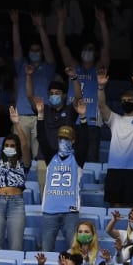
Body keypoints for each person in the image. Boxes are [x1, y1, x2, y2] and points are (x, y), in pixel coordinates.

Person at [57, 6, 110, 163]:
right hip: (71, 121)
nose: (88, 51)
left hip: (92, 122)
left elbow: (107, 48)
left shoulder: (98, 70)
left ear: (95, 53)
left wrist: (102, 22)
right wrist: (61, 21)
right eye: (86, 49)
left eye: (91, 49)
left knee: (91, 160)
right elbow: (62, 46)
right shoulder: (74, 67)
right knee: (67, 159)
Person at [97, 68, 133, 208]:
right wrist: (101, 87)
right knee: (115, 207)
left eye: (129, 100)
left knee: (132, 209)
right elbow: (102, 105)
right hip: (114, 169)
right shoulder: (114, 120)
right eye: (123, 100)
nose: (126, 102)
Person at [26, 66, 84, 198]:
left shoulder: (70, 111)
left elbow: (78, 97)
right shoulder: (43, 110)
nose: (54, 96)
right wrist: (29, 76)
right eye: (51, 94)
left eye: (57, 93)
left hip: (65, 160)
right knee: (45, 197)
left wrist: (74, 78)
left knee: (63, 196)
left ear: (64, 95)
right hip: (43, 159)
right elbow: (29, 96)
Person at [11, 9, 56, 161]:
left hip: (41, 117)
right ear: (28, 52)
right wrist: (15, 24)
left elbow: (49, 49)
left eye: (38, 50)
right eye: (32, 50)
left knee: (40, 156)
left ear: (41, 53)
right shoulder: (22, 65)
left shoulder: (48, 67)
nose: (34, 52)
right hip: (22, 116)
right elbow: (16, 46)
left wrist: (41, 28)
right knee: (18, 155)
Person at [0, 104, 31, 251]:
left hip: (16, 204)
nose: (9, 147)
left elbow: (25, 145)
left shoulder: (23, 163)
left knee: (16, 247)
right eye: (7, 145)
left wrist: (17, 124)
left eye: (12, 145)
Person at [39, 123, 88, 253]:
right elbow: (42, 138)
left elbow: (85, 142)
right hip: (50, 211)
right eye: (61, 138)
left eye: (67, 139)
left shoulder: (77, 159)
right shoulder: (51, 158)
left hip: (70, 212)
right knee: (46, 251)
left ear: (73, 141)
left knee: (75, 251)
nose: (63, 141)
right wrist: (40, 118)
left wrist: (83, 120)